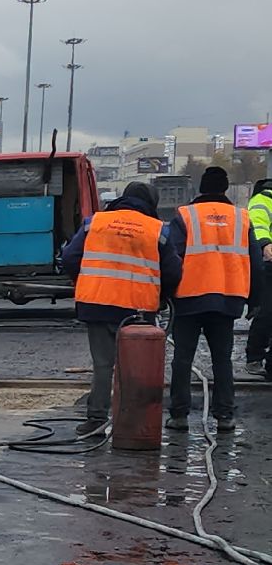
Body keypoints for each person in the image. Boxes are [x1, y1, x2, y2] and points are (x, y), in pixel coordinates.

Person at [60, 181, 179, 436]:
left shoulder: (96, 223)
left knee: (103, 365)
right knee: (135, 365)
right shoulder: (156, 230)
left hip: (97, 304)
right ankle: (133, 419)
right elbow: (173, 271)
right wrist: (162, 296)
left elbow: (69, 257)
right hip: (138, 309)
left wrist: (84, 280)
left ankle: (96, 419)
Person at [164, 166, 263, 431]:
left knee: (183, 359)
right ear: (225, 189)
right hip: (228, 299)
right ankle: (225, 416)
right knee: (222, 359)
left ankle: (179, 416)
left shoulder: (185, 216)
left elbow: (172, 260)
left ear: (201, 189)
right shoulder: (241, 218)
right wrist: (255, 301)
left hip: (189, 300)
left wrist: (166, 295)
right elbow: (255, 261)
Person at [247, 178, 272, 379]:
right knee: (266, 314)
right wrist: (265, 244)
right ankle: (254, 357)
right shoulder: (262, 200)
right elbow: (258, 225)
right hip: (269, 264)